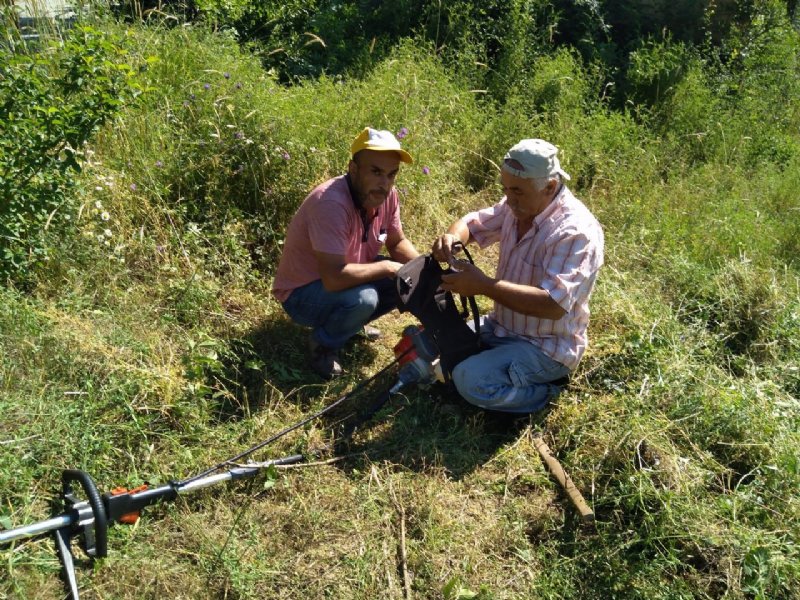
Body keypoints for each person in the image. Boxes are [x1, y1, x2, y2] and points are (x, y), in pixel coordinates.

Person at [431, 139, 604, 413]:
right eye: (505, 189)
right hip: (501, 326)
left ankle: (545, 395)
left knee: (471, 380)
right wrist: (453, 238)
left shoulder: (575, 232)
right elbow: (472, 223)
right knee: (431, 345)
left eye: (518, 192)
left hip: (545, 347)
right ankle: (488, 368)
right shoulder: (518, 206)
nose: (509, 199)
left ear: (549, 187)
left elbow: (553, 305)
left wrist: (484, 286)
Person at [272, 127, 419, 379]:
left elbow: (396, 242)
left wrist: (422, 268)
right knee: (365, 299)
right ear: (353, 169)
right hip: (302, 293)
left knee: (404, 280)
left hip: (342, 278)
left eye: (391, 175)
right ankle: (323, 344)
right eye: (375, 172)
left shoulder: (387, 196)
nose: (384, 184)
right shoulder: (331, 203)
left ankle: (349, 326)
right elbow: (334, 277)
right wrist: (388, 268)